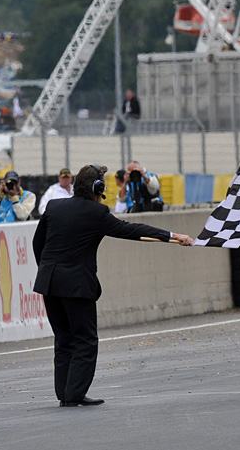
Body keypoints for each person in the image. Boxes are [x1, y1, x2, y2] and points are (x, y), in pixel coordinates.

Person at [32, 164, 193, 407]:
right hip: (76, 286)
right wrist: (172, 235)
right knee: (85, 340)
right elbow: (132, 230)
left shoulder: (54, 207)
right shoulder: (97, 213)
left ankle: (65, 393)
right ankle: (74, 394)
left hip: (49, 282)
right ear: (97, 188)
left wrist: (46, 271)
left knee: (63, 338)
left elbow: (37, 243)